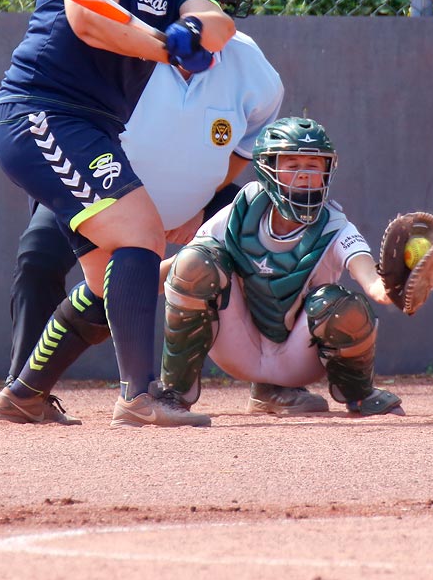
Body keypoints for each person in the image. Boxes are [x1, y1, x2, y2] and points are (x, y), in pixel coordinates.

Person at [0, 0, 236, 428]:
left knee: (107, 283)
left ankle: (24, 393)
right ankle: (139, 395)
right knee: (143, 230)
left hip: (92, 125)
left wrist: (192, 32)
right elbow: (89, 20)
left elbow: (218, 22)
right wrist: (164, 47)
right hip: (41, 113)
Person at [0, 0, 283, 425]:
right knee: (44, 258)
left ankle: (274, 385)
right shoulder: (123, 55)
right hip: (100, 182)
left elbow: (242, 150)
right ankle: (23, 385)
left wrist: (200, 207)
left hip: (185, 200)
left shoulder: (254, 72)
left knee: (261, 231)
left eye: (215, 6)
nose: (204, 16)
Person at [157, 116, 407, 421]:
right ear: (266, 168)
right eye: (291, 165)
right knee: (197, 260)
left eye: (313, 166)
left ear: (327, 171)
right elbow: (182, 268)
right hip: (238, 346)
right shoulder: (244, 207)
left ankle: (359, 394)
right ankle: (173, 394)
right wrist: (125, 289)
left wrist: (394, 287)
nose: (304, 175)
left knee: (343, 306)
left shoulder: (335, 225)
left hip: (297, 357)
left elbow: (369, 278)